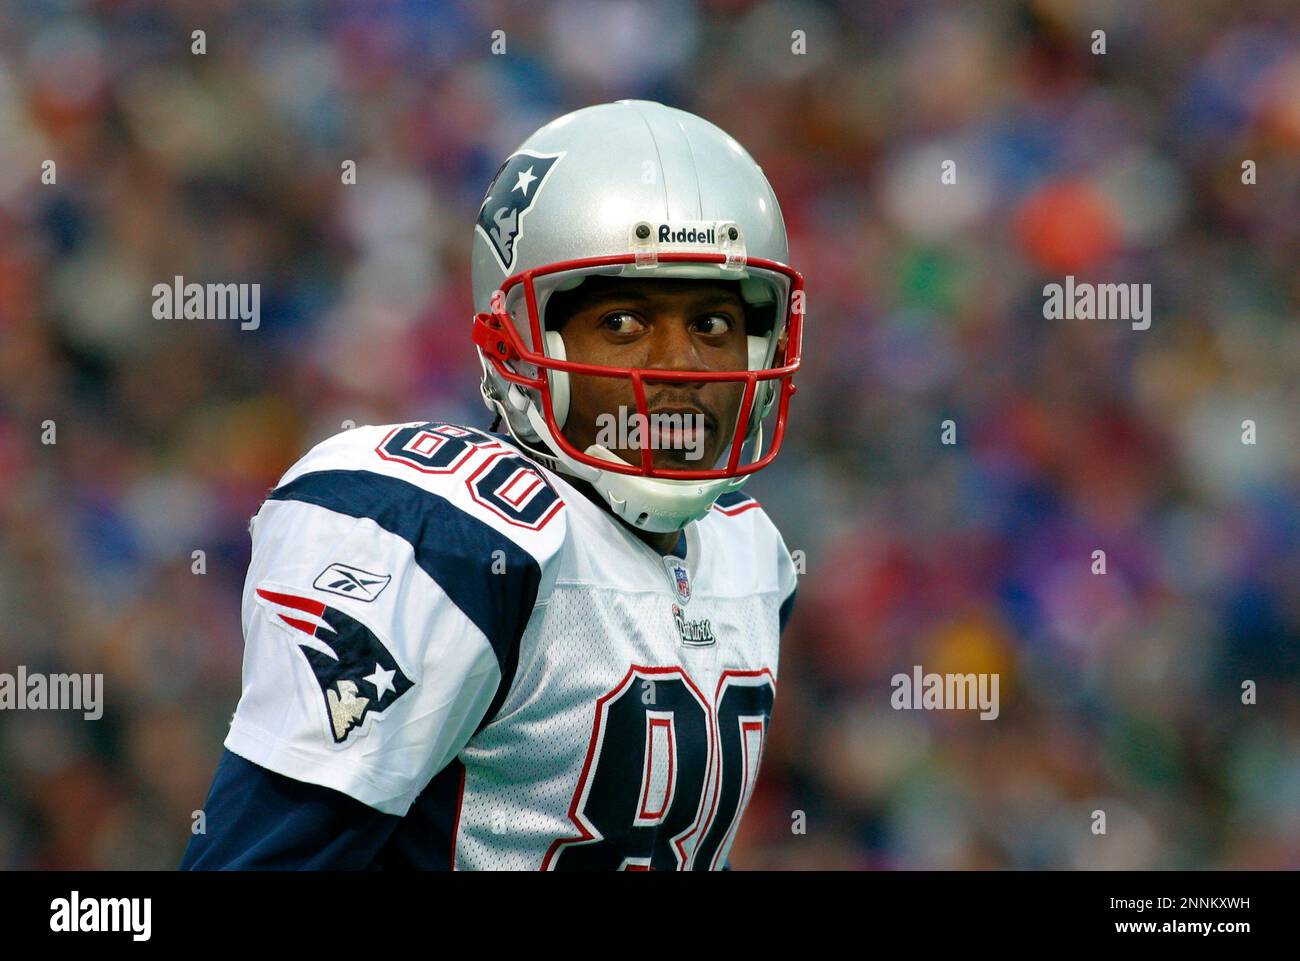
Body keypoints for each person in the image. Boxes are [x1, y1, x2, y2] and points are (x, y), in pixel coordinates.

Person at [181, 99, 804, 870]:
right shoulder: (451, 540)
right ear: (517, 341)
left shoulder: (749, 553)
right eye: (622, 322)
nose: (677, 365)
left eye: (712, 323)